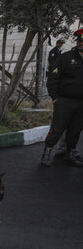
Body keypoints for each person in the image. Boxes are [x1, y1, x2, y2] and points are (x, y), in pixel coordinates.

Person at [41, 30, 83, 167]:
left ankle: (70, 153)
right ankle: (46, 153)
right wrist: (54, 97)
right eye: (80, 41)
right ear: (77, 43)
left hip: (81, 103)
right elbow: (53, 78)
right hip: (65, 100)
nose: (81, 44)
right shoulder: (66, 57)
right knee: (57, 128)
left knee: (75, 130)